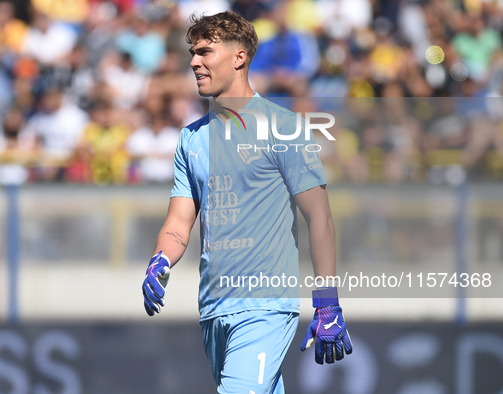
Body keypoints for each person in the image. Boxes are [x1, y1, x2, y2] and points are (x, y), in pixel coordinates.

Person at [141, 11, 352, 393]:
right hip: (213, 309)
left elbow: (319, 217)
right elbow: (178, 222)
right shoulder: (191, 139)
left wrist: (327, 302)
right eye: (192, 52)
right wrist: (160, 260)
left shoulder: (284, 128)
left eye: (205, 51)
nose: (193, 61)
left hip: (265, 305)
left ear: (239, 57)